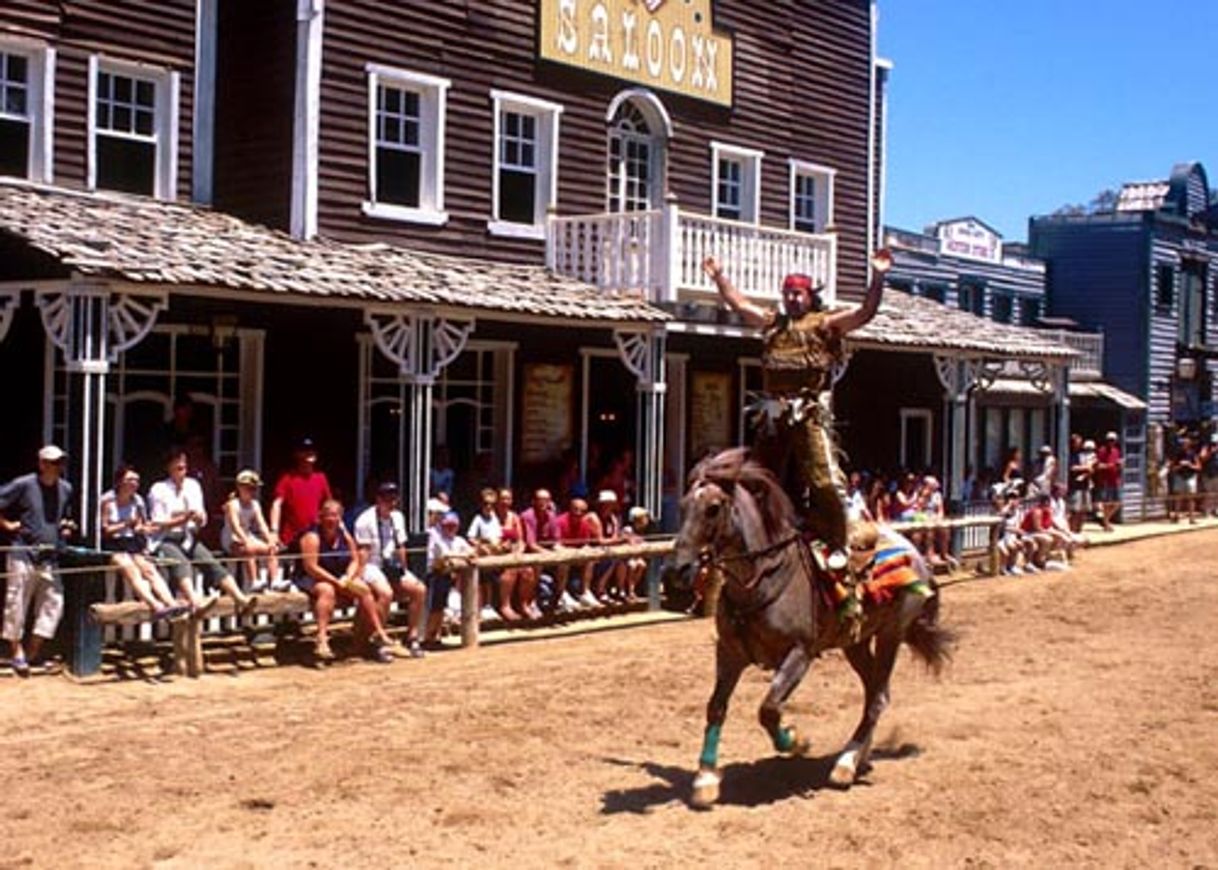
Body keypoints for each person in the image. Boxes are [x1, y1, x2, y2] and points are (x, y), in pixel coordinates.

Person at [703, 248, 891, 619]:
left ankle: (838, 542)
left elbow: (865, 314)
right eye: (787, 292)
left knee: (822, 479)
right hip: (773, 414)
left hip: (808, 414)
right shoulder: (773, 323)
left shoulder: (824, 324)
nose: (791, 298)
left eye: (797, 293)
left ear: (809, 296)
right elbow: (740, 304)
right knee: (754, 480)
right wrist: (719, 277)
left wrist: (878, 277)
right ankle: (751, 546)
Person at [147, 449, 255, 617]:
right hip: (165, 539)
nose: (182, 465)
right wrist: (182, 519)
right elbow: (157, 522)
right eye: (177, 463)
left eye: (184, 462)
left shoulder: (193, 485)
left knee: (211, 562)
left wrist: (198, 519)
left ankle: (241, 599)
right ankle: (195, 602)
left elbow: (202, 516)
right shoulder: (158, 489)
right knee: (181, 563)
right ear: (169, 467)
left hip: (188, 536)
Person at [0, 445, 76, 676]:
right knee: (16, 604)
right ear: (41, 463)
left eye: (60, 462)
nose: (57, 467)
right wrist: (7, 525)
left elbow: (64, 517)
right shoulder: (24, 484)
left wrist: (65, 528)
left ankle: (32, 652)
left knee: (54, 603)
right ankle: (16, 653)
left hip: (50, 555)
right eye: (52, 462)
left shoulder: (65, 488)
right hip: (23, 551)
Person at [295, 499, 396, 663]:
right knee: (327, 590)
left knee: (363, 589)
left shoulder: (344, 535)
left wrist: (348, 577)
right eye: (327, 515)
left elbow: (355, 559)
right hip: (311, 577)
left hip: (339, 575)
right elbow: (311, 567)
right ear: (320, 516)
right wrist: (336, 581)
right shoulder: (312, 536)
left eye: (335, 515)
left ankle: (378, 631)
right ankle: (321, 639)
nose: (331, 519)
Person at [98, 464, 187, 621]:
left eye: (137, 480)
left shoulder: (138, 501)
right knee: (130, 569)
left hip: (132, 542)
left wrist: (145, 529)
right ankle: (155, 605)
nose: (134, 483)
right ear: (120, 481)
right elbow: (104, 530)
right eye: (130, 479)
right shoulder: (107, 500)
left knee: (149, 569)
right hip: (113, 544)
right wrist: (125, 524)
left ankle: (170, 603)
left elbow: (140, 525)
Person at [352, 482, 426, 658]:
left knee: (419, 589)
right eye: (387, 499)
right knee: (385, 593)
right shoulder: (365, 520)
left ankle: (412, 637)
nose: (392, 503)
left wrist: (404, 569)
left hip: (391, 564)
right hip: (372, 564)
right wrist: (359, 575)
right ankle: (377, 639)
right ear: (378, 499)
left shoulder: (398, 517)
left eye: (394, 499)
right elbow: (363, 551)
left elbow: (400, 546)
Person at [465, 488, 520, 622]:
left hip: (496, 552)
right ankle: (481, 608)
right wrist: (482, 544)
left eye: (491, 504)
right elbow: (470, 537)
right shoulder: (478, 519)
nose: (488, 507)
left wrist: (503, 545)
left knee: (496, 576)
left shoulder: (494, 518)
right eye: (486, 503)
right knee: (483, 579)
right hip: (483, 553)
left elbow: (499, 536)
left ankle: (491, 606)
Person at [270, 437, 332, 553]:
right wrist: (274, 531)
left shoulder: (321, 478)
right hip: (292, 537)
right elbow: (277, 504)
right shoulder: (287, 478)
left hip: (315, 535)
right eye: (305, 450)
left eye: (312, 450)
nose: (310, 453)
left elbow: (328, 505)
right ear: (297, 454)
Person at [220, 469, 281, 589]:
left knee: (271, 549)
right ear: (240, 487)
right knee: (249, 549)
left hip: (247, 535)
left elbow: (262, 524)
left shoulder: (255, 504)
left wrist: (270, 539)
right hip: (231, 538)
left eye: (254, 488)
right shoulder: (233, 504)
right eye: (249, 488)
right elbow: (235, 526)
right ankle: (254, 581)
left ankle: (275, 581)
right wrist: (245, 540)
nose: (252, 491)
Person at [424, 511, 475, 646]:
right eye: (447, 525)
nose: (450, 528)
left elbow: (472, 553)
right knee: (435, 608)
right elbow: (444, 557)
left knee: (441, 607)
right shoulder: (436, 537)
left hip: (449, 577)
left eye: (453, 525)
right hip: (436, 576)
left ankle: (435, 635)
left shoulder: (459, 540)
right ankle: (428, 636)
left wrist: (462, 556)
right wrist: (462, 556)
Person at [495, 488, 539, 619]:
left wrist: (518, 552)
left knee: (528, 571)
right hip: (497, 554)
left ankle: (524, 605)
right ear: (497, 500)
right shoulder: (490, 516)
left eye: (508, 498)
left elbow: (521, 540)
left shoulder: (514, 517)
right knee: (511, 570)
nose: (505, 502)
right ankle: (505, 606)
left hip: (514, 554)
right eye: (503, 498)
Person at [554, 496, 600, 610]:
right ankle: (561, 595)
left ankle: (585, 592)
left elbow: (585, 544)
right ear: (569, 509)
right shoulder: (559, 521)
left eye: (582, 511)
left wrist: (583, 551)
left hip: (576, 556)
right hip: (560, 557)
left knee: (591, 556)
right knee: (564, 560)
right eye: (576, 509)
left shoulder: (584, 523)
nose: (579, 513)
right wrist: (574, 552)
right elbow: (555, 546)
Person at [519, 488, 562, 611]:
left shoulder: (552, 516)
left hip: (546, 553)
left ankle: (558, 598)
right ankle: (532, 600)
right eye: (540, 500)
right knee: (537, 565)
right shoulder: (527, 516)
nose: (544, 503)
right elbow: (531, 545)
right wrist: (550, 554)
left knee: (564, 563)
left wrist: (561, 552)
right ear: (534, 501)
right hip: (529, 554)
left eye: (547, 500)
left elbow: (556, 542)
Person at [1168, 434, 1201, 524]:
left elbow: (1198, 467)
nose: (1184, 445)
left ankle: (1192, 518)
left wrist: (1190, 465)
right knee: (1178, 497)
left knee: (1191, 497)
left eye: (1186, 443)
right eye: (1183, 443)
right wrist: (1180, 465)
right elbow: (1173, 468)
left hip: (1190, 477)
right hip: (1180, 476)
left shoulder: (1193, 454)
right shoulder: (1178, 454)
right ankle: (1176, 516)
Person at [1094, 431, 1123, 531]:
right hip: (1105, 480)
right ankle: (1106, 523)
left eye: (1113, 440)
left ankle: (1105, 520)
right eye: (1110, 440)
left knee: (1117, 503)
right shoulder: (1102, 451)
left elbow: (1118, 463)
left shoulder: (1116, 451)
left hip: (1115, 480)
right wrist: (1109, 466)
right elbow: (1097, 465)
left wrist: (1119, 465)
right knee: (1106, 503)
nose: (1111, 442)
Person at [1066, 434, 1094, 533]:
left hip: (1085, 485)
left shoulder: (1083, 455)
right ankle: (1072, 530)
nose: (1080, 445)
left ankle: (1079, 530)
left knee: (1083, 510)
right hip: (1075, 486)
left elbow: (1091, 466)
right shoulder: (1069, 454)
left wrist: (1090, 469)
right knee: (1075, 510)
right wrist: (1085, 468)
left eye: (1080, 443)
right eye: (1077, 442)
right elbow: (1072, 468)